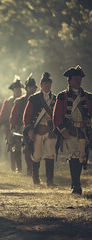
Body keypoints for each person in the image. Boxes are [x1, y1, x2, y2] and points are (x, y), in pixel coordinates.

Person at [53, 65, 92, 194]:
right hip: (69, 130)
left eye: (80, 78)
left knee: (81, 156)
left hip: (82, 130)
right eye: (76, 78)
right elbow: (56, 116)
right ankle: (76, 185)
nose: (78, 81)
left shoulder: (88, 96)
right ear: (69, 80)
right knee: (74, 155)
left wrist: (89, 121)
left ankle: (76, 182)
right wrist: (62, 130)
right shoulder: (62, 96)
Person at [23, 72, 56, 186]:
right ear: (41, 85)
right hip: (37, 130)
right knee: (37, 155)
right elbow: (27, 116)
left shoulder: (55, 98)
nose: (47, 85)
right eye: (45, 83)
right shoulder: (34, 98)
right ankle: (35, 177)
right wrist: (29, 129)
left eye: (49, 83)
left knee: (50, 154)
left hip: (50, 130)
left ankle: (50, 181)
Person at [10, 74, 37, 174]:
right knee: (19, 148)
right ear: (26, 88)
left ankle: (34, 169)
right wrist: (13, 128)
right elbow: (13, 117)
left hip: (36, 127)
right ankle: (22, 168)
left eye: (33, 87)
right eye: (30, 87)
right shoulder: (20, 101)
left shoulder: (39, 99)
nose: (31, 89)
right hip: (21, 128)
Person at [0, 77, 23, 171]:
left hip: (22, 127)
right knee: (13, 148)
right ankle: (15, 168)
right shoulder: (8, 102)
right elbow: (3, 118)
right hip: (10, 129)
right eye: (16, 89)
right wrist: (6, 132)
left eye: (19, 89)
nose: (18, 91)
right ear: (13, 90)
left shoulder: (25, 100)